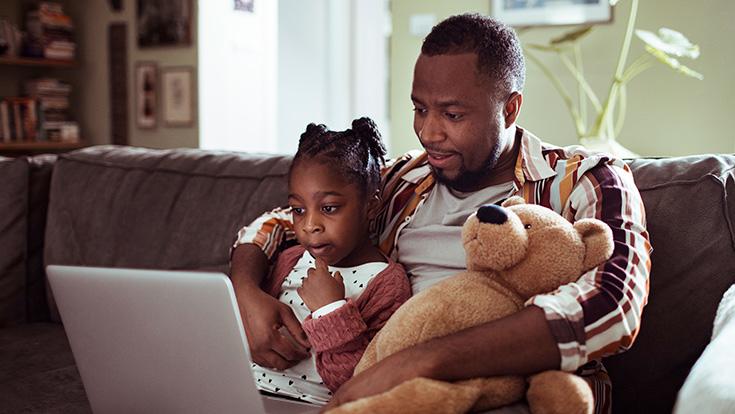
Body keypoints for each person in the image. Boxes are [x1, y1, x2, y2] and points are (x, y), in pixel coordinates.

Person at [230, 13, 650, 413]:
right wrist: (246, 295)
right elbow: (277, 223)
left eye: (452, 114)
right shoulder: (405, 178)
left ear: (509, 109)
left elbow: (615, 304)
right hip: (375, 384)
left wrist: (418, 363)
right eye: (419, 109)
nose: (429, 132)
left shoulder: (585, 181)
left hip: (503, 391)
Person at [235, 117, 411, 405]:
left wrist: (331, 311)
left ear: (371, 205)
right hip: (245, 394)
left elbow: (359, 382)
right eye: (299, 210)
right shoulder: (290, 259)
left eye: (329, 208)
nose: (309, 225)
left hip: (309, 405)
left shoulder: (387, 284)